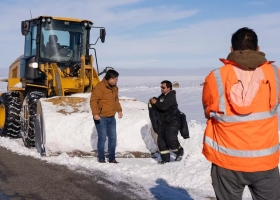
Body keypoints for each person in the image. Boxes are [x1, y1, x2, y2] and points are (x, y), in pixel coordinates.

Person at [202, 27, 280, 200]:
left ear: (231, 50)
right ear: (258, 48)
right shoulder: (275, 74)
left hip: (227, 163)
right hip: (265, 162)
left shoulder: (216, 77)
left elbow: (208, 111)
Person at [90, 69, 123, 164]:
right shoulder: (99, 87)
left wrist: (119, 110)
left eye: (117, 79)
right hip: (101, 117)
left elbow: (116, 100)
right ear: (110, 79)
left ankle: (112, 158)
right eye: (115, 79)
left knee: (113, 138)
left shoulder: (115, 88)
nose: (116, 81)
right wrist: (95, 113)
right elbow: (93, 101)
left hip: (111, 117)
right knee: (102, 138)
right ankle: (101, 158)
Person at [150, 80, 186, 164]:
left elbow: (163, 107)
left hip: (172, 121)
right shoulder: (162, 96)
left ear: (169, 88)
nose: (161, 89)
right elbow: (158, 104)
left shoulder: (171, 96)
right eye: (161, 87)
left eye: (163, 87)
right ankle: (165, 159)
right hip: (163, 122)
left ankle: (179, 152)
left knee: (170, 139)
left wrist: (156, 102)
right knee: (161, 141)